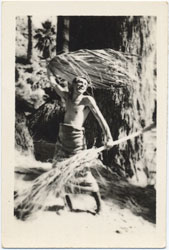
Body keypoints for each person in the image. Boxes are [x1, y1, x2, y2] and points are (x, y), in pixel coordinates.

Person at [47, 68, 113, 214]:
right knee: (59, 171)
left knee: (83, 172)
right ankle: (67, 205)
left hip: (76, 140)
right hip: (62, 137)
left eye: (84, 84)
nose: (81, 85)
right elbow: (53, 82)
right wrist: (50, 68)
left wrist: (109, 137)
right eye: (79, 83)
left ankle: (100, 206)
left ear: (86, 87)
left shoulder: (87, 100)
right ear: (73, 85)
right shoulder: (67, 97)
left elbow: (100, 118)